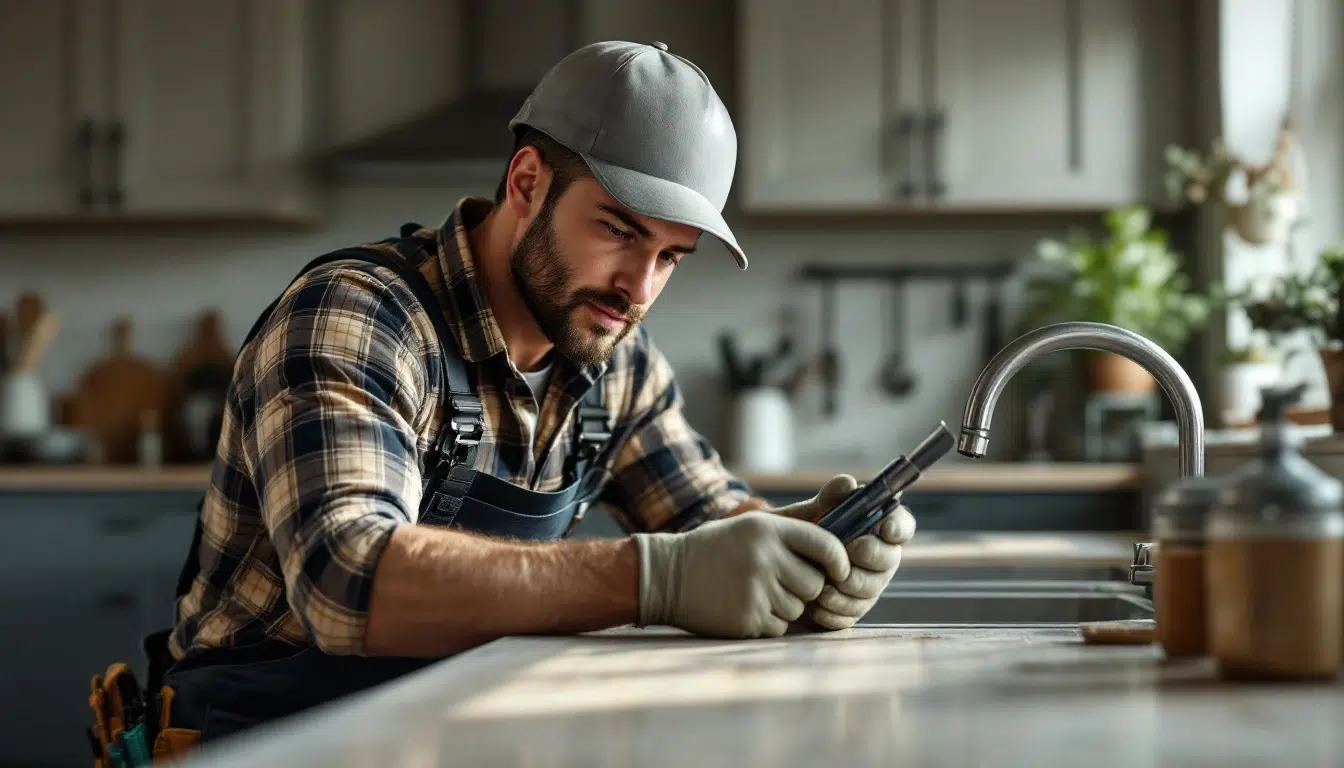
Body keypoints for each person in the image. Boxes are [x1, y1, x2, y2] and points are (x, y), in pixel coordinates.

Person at [89, 40, 917, 759]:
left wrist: (809, 552)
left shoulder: (611, 354)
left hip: (461, 736)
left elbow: (706, 526)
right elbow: (346, 579)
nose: (639, 287)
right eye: (621, 231)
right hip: (266, 741)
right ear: (526, 181)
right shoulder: (358, 316)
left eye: (673, 256)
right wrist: (654, 578)